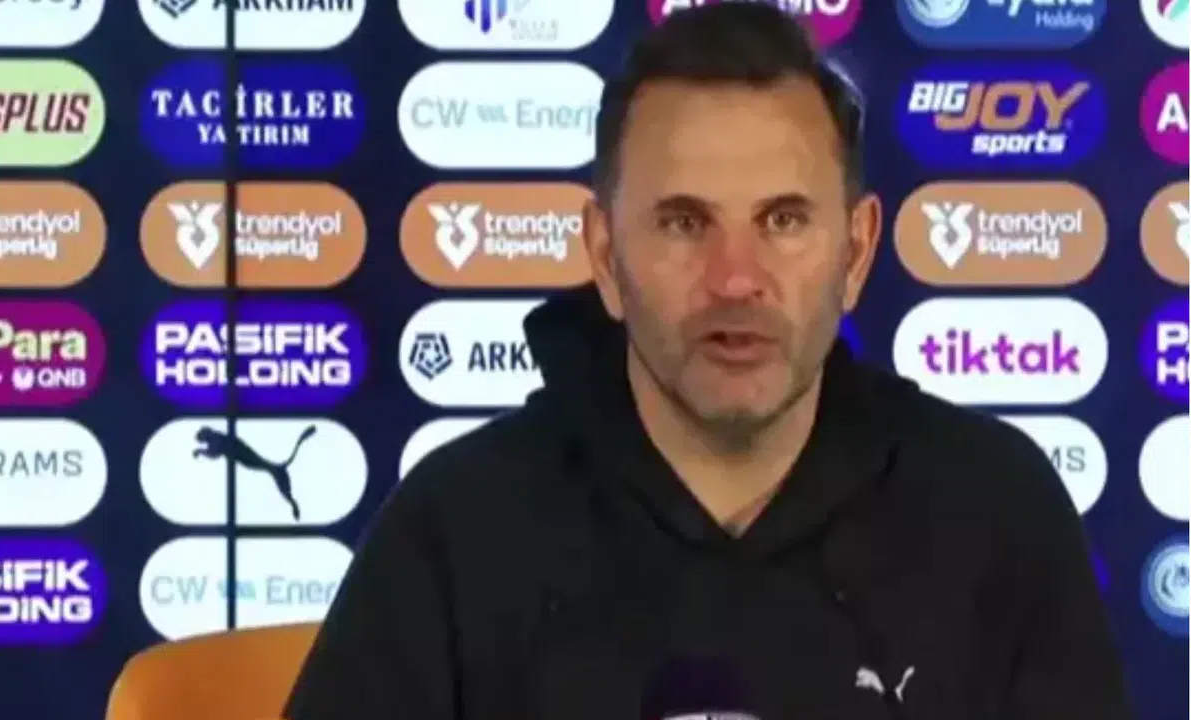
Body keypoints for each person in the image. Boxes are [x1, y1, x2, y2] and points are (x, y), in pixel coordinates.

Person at [284, 4, 1132, 718]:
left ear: (858, 251)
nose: (735, 279)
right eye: (685, 223)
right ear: (605, 255)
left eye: (783, 221)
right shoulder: (456, 527)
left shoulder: (996, 510)